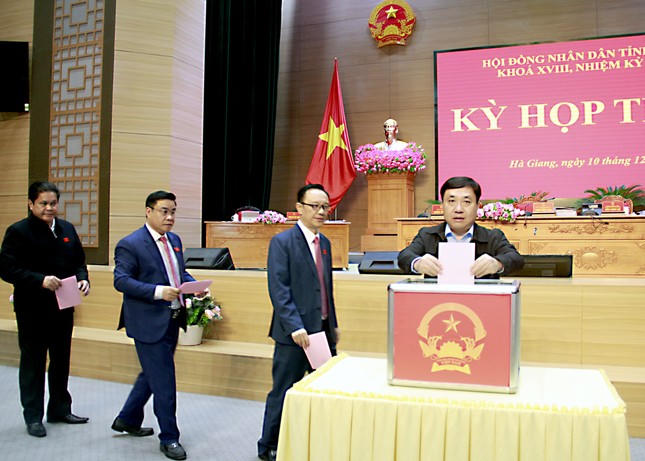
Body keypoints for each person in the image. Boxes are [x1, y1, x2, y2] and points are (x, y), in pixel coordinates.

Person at [112, 190, 197, 461]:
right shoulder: (131, 244)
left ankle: (127, 419)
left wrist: (193, 285)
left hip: (172, 318)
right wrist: (158, 292)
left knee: (152, 374)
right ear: (148, 211)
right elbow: (121, 281)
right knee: (164, 382)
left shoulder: (174, 240)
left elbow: (177, 273)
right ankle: (169, 438)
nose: (170, 217)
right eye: (164, 211)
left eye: (173, 212)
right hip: (147, 321)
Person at [0, 181, 90, 438]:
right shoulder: (18, 231)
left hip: (64, 305)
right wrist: (40, 280)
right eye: (43, 203)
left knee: (61, 359)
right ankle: (33, 417)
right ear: (31, 204)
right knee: (34, 362)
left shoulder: (66, 228)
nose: (49, 208)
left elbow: (79, 261)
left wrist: (83, 279)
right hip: (32, 308)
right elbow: (7, 269)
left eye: (53, 203)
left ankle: (60, 409)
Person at [257, 184, 340, 461]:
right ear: (299, 208)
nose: (321, 211)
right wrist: (295, 326)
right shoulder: (282, 242)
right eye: (314, 206)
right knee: (284, 391)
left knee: (323, 390)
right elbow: (279, 289)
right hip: (295, 334)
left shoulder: (324, 243)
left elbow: (325, 288)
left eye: (325, 206)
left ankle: (312, 440)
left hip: (322, 332)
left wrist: (332, 324)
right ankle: (269, 445)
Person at [398, 176, 524, 277]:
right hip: (438, 299)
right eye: (451, 201)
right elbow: (404, 256)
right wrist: (417, 263)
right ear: (442, 206)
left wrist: (498, 263)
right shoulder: (427, 235)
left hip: (481, 298)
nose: (458, 209)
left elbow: (516, 259)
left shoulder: (493, 237)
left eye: (466, 202)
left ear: (477, 206)